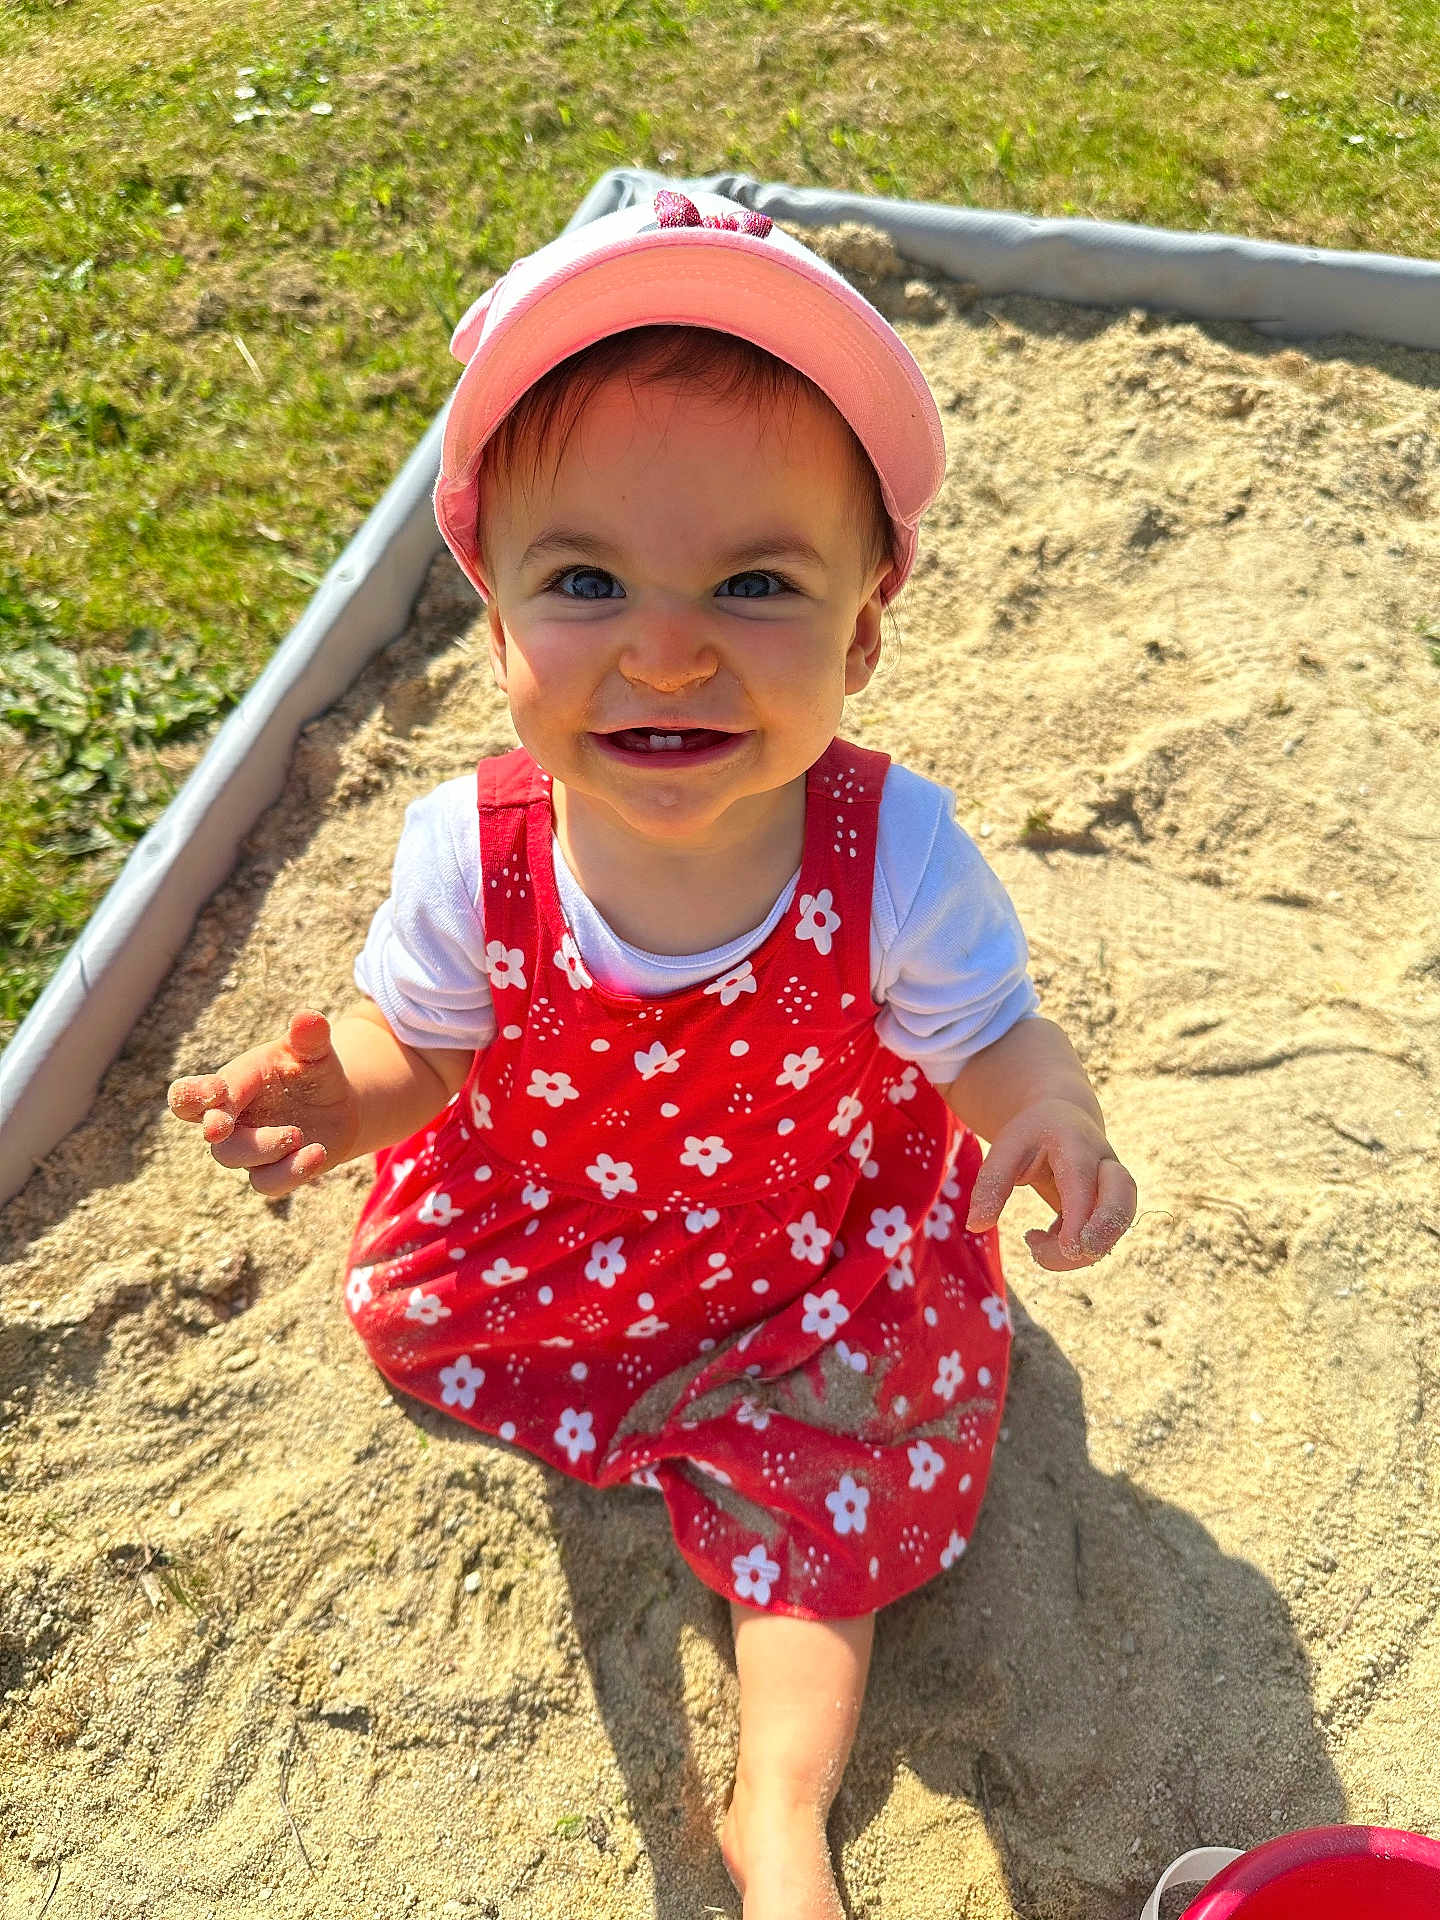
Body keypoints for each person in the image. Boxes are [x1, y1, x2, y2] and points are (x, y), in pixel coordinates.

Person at [168, 186, 1139, 1919]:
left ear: (859, 631)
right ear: (499, 629)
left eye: (754, 582)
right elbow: (431, 1051)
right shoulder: (472, 854)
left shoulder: (891, 850)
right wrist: (347, 1092)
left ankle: (781, 1823)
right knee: (426, 1322)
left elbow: (985, 1031)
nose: (666, 643)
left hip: (809, 1261)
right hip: (558, 1237)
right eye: (587, 578)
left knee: (830, 1503)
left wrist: (1047, 1108)